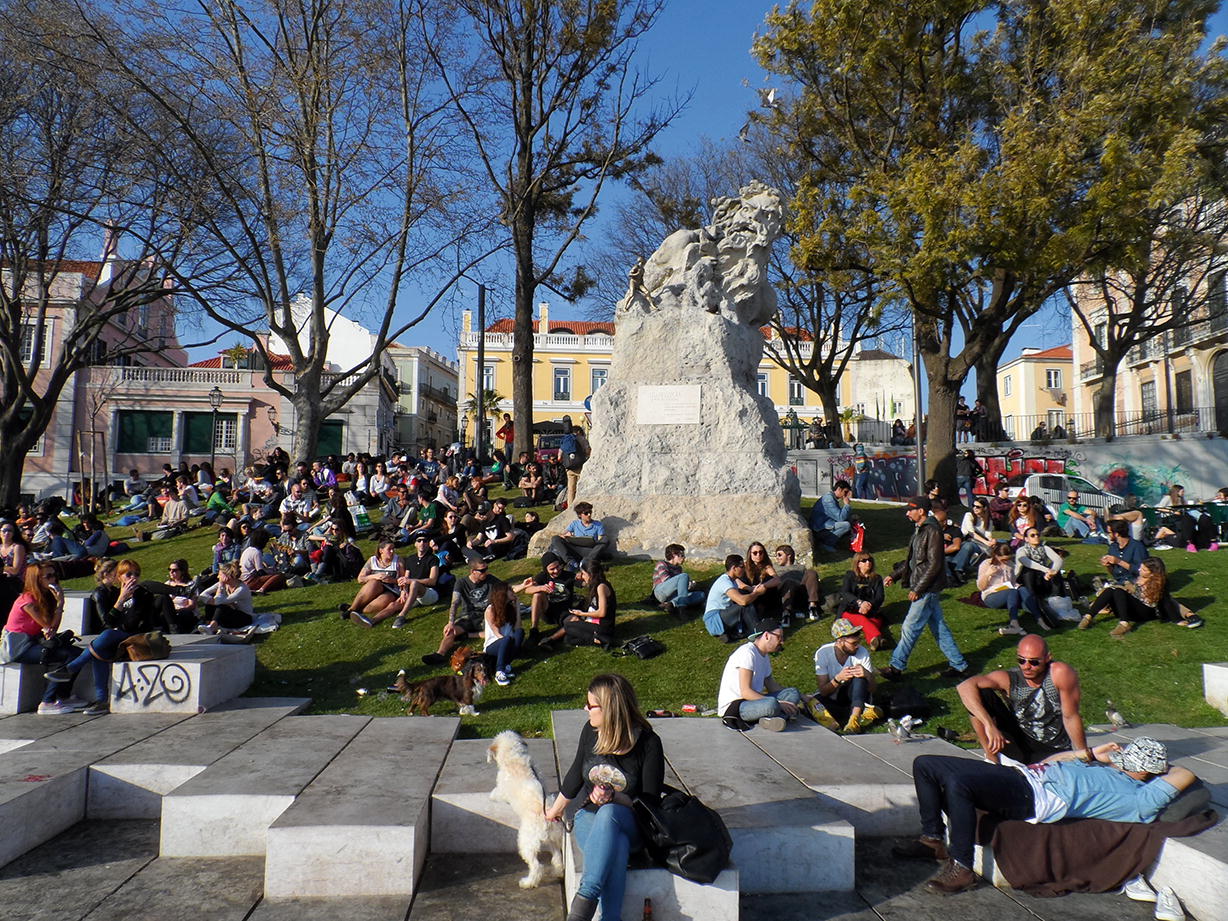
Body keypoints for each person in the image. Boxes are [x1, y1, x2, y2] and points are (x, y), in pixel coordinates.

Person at [894, 738, 1197, 895]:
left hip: (1034, 797)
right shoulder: (1107, 768)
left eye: (1126, 761)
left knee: (960, 785)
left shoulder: (1139, 798)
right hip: (1023, 774)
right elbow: (1051, 762)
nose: (1118, 762)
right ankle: (933, 838)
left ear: (1144, 772)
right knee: (926, 764)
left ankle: (961, 867)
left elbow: (1186, 773)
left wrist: (1164, 767)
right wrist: (1090, 753)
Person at [546, 674, 663, 921]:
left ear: (610, 709)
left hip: (631, 823)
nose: (585, 709)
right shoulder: (590, 731)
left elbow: (650, 803)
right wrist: (555, 809)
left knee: (610, 815)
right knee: (615, 847)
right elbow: (575, 774)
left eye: (591, 705)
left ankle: (580, 911)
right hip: (589, 819)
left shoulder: (648, 743)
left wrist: (615, 798)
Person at [46, 559, 165, 716]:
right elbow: (108, 622)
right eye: (128, 574)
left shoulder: (143, 594)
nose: (133, 578)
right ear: (119, 577)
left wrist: (123, 606)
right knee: (99, 649)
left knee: (105, 638)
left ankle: (71, 668)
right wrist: (121, 600)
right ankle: (102, 701)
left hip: (138, 637)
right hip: (118, 637)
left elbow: (132, 624)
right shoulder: (115, 594)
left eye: (136, 574)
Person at [956, 635, 1086, 765]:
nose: (1026, 666)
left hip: (1052, 748)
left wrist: (1083, 755)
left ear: (1047, 658)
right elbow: (964, 687)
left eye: (1034, 662)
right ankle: (992, 759)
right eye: (1021, 660)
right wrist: (989, 724)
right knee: (981, 693)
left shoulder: (1058, 673)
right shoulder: (1010, 678)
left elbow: (1071, 716)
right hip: (1020, 742)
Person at [880, 497, 970, 681]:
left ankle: (896, 667)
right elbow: (913, 560)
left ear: (921, 511)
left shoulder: (932, 530)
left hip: (927, 588)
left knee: (909, 627)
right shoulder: (921, 530)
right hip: (925, 586)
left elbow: (935, 564)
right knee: (939, 628)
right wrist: (895, 575)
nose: (907, 513)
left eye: (910, 509)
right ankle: (959, 665)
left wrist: (919, 589)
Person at [1, 563, 83, 713]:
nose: (54, 579)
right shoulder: (28, 601)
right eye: (49, 576)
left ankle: (63, 696)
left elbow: (51, 630)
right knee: (67, 655)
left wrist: (59, 605)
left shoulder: (45, 598)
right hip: (19, 647)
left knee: (77, 653)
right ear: (36, 580)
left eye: (55, 575)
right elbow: (49, 629)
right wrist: (60, 603)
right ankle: (47, 701)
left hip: (33, 642)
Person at [422, 559, 513, 666]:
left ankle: (468, 635)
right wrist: (451, 622)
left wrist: (524, 586)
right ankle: (440, 654)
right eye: (482, 570)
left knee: (495, 631)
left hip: (486, 615)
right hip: (468, 616)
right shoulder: (461, 583)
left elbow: (506, 589)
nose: (485, 572)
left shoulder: (491, 579)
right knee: (450, 632)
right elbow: (455, 603)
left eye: (486, 569)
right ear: (473, 571)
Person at [716, 617, 801, 731]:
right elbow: (746, 692)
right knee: (772, 704)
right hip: (738, 706)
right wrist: (779, 703)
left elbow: (771, 686)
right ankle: (778, 716)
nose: (782, 641)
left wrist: (802, 697)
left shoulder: (764, 655)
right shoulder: (747, 653)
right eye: (779, 637)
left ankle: (771, 719)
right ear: (766, 635)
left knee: (792, 693)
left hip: (754, 702)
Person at [1082, 556, 1203, 634]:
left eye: (1144, 570)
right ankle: (1088, 616)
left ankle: (1124, 624)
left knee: (1117, 590)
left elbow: (1167, 602)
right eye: (1141, 567)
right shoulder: (1139, 577)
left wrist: (1177, 620)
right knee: (1112, 590)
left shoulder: (1159, 585)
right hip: (1130, 608)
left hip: (1145, 612)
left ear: (1153, 574)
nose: (1140, 570)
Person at [811, 618, 882, 733]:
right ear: (840, 641)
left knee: (859, 678)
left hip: (857, 694)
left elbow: (873, 689)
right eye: (853, 643)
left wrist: (868, 675)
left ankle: (855, 719)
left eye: (858, 642)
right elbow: (823, 691)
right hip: (835, 696)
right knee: (814, 701)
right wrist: (838, 679)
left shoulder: (862, 652)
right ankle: (861, 712)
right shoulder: (823, 653)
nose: (857, 646)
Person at [341, 538, 407, 627]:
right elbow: (360, 579)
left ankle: (358, 610)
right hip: (375, 587)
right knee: (374, 583)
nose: (392, 551)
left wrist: (392, 580)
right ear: (381, 551)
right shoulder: (372, 560)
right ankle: (351, 610)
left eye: (393, 549)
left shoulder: (398, 561)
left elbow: (404, 580)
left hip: (392, 590)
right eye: (389, 549)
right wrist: (375, 576)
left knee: (383, 601)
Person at [702, 554, 764, 642]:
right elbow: (743, 601)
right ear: (734, 568)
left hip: (721, 616)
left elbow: (742, 592)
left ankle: (735, 633)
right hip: (714, 620)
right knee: (744, 606)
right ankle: (757, 634)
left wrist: (753, 591)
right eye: (742, 567)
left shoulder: (732, 581)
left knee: (747, 598)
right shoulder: (724, 582)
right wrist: (757, 593)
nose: (744, 570)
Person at [555, 560, 617, 649]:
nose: (582, 576)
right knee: (568, 639)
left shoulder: (601, 587)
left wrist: (582, 614)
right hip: (594, 623)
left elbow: (601, 613)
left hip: (604, 627)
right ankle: (596, 640)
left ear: (590, 574)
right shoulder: (594, 585)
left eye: (583, 574)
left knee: (568, 625)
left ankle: (603, 639)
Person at [835, 551, 889, 649]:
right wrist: (860, 603)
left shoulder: (877, 578)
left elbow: (880, 598)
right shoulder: (850, 576)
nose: (868, 562)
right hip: (850, 610)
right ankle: (878, 638)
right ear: (858, 564)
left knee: (874, 621)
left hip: (870, 610)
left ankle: (874, 642)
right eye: (864, 560)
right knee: (862, 620)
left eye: (870, 560)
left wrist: (867, 606)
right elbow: (845, 593)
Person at [518, 551, 576, 640]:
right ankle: (534, 628)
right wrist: (540, 588)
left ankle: (551, 640)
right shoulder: (542, 576)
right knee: (537, 594)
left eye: (557, 567)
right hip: (548, 609)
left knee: (574, 621)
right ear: (546, 569)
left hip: (564, 611)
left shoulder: (569, 575)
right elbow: (527, 589)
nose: (556, 571)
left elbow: (583, 583)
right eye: (552, 569)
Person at [387, 534, 441, 629]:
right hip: (414, 593)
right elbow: (406, 578)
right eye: (419, 541)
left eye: (425, 541)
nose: (422, 543)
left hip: (429, 593)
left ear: (428, 544)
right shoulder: (410, 559)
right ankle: (373, 620)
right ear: (415, 544)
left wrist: (411, 581)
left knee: (414, 584)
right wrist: (403, 591)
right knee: (393, 604)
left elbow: (432, 581)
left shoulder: (433, 559)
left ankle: (401, 616)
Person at [1013, 526, 1062, 631]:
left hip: (1041, 578)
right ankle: (1032, 598)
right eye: (1032, 535)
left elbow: (1058, 560)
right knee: (1028, 571)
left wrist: (1052, 571)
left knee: (1056, 572)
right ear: (1026, 539)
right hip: (1024, 579)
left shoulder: (1044, 548)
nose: (1036, 537)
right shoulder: (1021, 550)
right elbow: (1027, 562)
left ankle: (1055, 598)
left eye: (1037, 535)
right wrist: (1046, 570)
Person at [978, 542, 1028, 636]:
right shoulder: (986, 564)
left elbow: (1013, 583)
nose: (1006, 561)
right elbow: (981, 587)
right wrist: (988, 574)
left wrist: (1018, 586)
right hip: (991, 595)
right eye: (1003, 559)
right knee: (1012, 592)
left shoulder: (1010, 565)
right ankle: (1014, 624)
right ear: (996, 556)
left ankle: (1041, 617)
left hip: (1008, 593)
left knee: (1023, 591)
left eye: (1008, 559)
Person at [771, 544, 824, 624]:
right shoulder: (775, 569)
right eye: (776, 556)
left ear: (788, 555)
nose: (777, 558)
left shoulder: (800, 567)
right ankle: (786, 613)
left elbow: (809, 580)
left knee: (811, 572)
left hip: (800, 592)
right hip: (784, 594)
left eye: (779, 555)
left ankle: (812, 606)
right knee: (789, 581)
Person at [548, 502, 611, 568]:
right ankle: (570, 561)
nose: (589, 515)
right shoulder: (575, 524)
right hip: (575, 549)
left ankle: (587, 561)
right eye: (586, 513)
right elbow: (562, 534)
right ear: (580, 515)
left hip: (589, 551)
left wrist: (597, 540)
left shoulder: (598, 524)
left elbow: (601, 540)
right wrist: (566, 536)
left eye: (590, 512)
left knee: (605, 539)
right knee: (555, 538)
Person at [198, 562, 255, 633]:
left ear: (227, 576)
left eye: (220, 575)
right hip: (231, 613)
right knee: (210, 603)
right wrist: (212, 601)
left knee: (222, 607)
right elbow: (203, 595)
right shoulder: (224, 585)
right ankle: (208, 624)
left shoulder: (241, 589)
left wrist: (221, 585)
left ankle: (212, 627)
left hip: (244, 618)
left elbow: (218, 601)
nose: (218, 577)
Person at [484, 588, 524, 686]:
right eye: (510, 590)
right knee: (506, 639)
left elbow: (518, 627)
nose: (513, 592)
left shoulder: (510, 608)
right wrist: (507, 641)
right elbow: (496, 632)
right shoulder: (490, 609)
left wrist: (517, 608)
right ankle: (499, 672)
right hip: (493, 645)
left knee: (520, 632)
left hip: (507, 642)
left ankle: (506, 665)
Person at [651, 543, 706, 615]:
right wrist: (686, 585)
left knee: (701, 595)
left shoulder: (679, 569)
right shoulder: (662, 564)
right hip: (661, 592)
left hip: (673, 595)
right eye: (682, 555)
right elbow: (666, 580)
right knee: (684, 576)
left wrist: (689, 586)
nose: (684, 558)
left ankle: (670, 604)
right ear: (674, 555)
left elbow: (681, 587)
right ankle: (682, 608)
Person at [1098, 520, 1147, 586]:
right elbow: (1114, 573)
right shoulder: (1113, 547)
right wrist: (1108, 565)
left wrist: (1119, 561)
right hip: (1119, 582)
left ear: (1116, 534)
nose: (1108, 535)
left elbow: (1140, 570)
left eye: (1109, 532)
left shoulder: (1137, 546)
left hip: (1134, 582)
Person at [810, 479, 853, 550]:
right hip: (819, 529)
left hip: (825, 525)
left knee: (850, 522)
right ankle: (826, 544)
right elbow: (840, 517)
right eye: (845, 492)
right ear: (839, 489)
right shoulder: (829, 500)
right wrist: (847, 505)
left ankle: (831, 541)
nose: (846, 495)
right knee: (846, 525)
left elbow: (839, 515)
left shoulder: (831, 498)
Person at [560, 424, 591, 511]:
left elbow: (559, 455)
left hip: (569, 467)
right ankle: (581, 507)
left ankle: (570, 507)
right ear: (578, 432)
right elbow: (588, 451)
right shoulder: (581, 439)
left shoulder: (565, 439)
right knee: (581, 487)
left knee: (571, 489)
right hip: (580, 466)